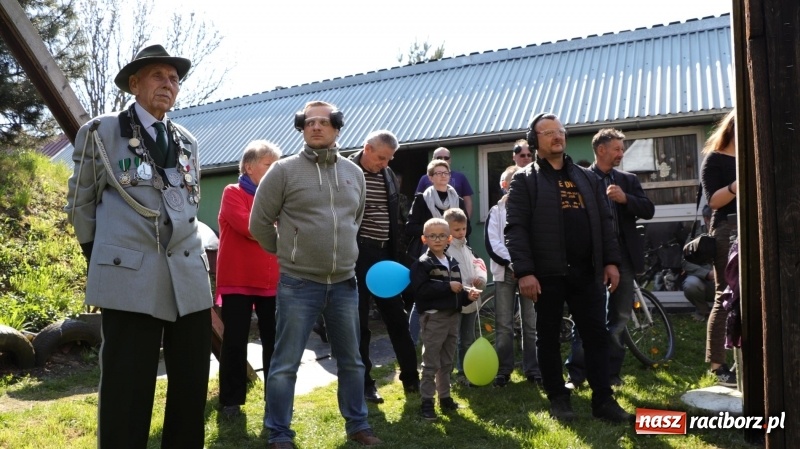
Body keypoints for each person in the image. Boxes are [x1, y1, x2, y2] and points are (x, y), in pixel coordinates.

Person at [65, 44, 212, 448]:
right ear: (135, 84)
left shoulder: (187, 140)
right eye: (158, 76)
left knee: (190, 385)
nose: (168, 85)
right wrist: (104, 261)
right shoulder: (102, 131)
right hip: (130, 275)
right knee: (126, 390)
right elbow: (81, 203)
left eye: (174, 79)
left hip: (187, 275)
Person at [249, 101, 382, 447]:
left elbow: (355, 218)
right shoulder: (283, 171)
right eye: (309, 122)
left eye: (324, 122)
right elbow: (259, 223)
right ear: (302, 128)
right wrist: (287, 252)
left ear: (337, 128)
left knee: (352, 361)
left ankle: (358, 425)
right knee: (285, 364)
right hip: (298, 283)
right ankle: (279, 432)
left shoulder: (354, 174)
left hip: (344, 283)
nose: (316, 127)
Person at [505, 112, 634, 424]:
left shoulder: (586, 177)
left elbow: (605, 223)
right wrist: (524, 271)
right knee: (547, 336)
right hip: (547, 273)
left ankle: (603, 400)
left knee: (596, 336)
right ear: (535, 141)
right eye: (548, 132)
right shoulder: (525, 180)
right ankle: (559, 399)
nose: (556, 136)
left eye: (559, 131)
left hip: (587, 271)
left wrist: (611, 263)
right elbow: (516, 228)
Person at [565, 128, 655, 389]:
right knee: (584, 317)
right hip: (589, 260)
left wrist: (626, 199)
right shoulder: (580, 179)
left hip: (624, 260)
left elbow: (648, 209)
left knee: (619, 318)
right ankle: (577, 374)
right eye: (616, 148)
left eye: (621, 149)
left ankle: (611, 374)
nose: (621, 153)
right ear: (601, 150)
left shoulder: (627, 180)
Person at [347, 130, 419, 403]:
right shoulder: (345, 170)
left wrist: (396, 253)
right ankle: (366, 384)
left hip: (384, 255)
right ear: (366, 148)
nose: (385, 164)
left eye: (389, 159)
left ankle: (412, 380)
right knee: (359, 323)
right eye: (380, 157)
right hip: (355, 255)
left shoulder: (388, 175)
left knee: (397, 319)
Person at [216, 140, 282, 418]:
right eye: (269, 165)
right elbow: (250, 227)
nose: (274, 170)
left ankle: (275, 399)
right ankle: (231, 401)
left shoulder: (279, 196)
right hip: (238, 278)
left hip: (271, 280)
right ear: (249, 166)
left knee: (274, 341)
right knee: (234, 341)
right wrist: (278, 227)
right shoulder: (232, 192)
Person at [410, 217, 480, 421]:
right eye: (432, 236)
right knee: (431, 361)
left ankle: (445, 397)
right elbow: (421, 292)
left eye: (442, 235)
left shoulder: (452, 262)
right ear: (424, 239)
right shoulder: (422, 264)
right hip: (433, 318)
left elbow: (456, 292)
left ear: (449, 238)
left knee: (447, 360)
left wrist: (467, 296)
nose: (437, 239)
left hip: (452, 317)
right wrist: (446, 287)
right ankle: (427, 402)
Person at [485, 165, 542, 387]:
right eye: (513, 183)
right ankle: (504, 370)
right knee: (503, 324)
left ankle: (533, 369)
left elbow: (536, 240)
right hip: (505, 272)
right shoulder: (495, 211)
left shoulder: (533, 209)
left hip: (529, 273)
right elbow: (493, 243)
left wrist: (525, 266)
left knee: (531, 323)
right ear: (504, 186)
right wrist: (514, 263)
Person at [406, 159, 471, 345]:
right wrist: (435, 233)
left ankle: (445, 338)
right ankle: (413, 341)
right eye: (438, 173)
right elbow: (411, 227)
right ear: (430, 177)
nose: (443, 176)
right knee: (423, 296)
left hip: (451, 254)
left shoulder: (457, 199)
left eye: (446, 173)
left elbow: (466, 227)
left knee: (447, 293)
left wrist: (455, 233)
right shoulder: (421, 198)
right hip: (430, 254)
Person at [699, 108, 738, 387]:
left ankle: (743, 356)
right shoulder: (715, 159)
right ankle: (717, 364)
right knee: (725, 294)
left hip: (754, 228)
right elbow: (713, 201)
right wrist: (736, 185)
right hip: (727, 229)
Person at [442, 208, 487, 385]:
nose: (461, 233)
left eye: (463, 229)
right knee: (451, 339)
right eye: (457, 230)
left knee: (467, 338)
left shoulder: (468, 249)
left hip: (472, 301)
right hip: (455, 302)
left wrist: (480, 280)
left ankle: (463, 372)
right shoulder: (445, 251)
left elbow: (479, 266)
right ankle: (446, 374)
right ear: (447, 230)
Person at [415, 147, 475, 217]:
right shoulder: (425, 178)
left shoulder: (461, 177)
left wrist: (465, 222)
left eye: (446, 158)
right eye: (439, 157)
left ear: (450, 160)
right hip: (430, 220)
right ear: (433, 160)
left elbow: (467, 202)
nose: (443, 160)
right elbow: (418, 201)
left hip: (454, 221)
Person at [682, 205, 715, 321]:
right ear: (706, 219)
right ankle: (703, 312)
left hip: (729, 279)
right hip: (706, 281)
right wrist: (707, 273)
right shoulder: (694, 237)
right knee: (691, 285)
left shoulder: (730, 233)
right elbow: (685, 261)